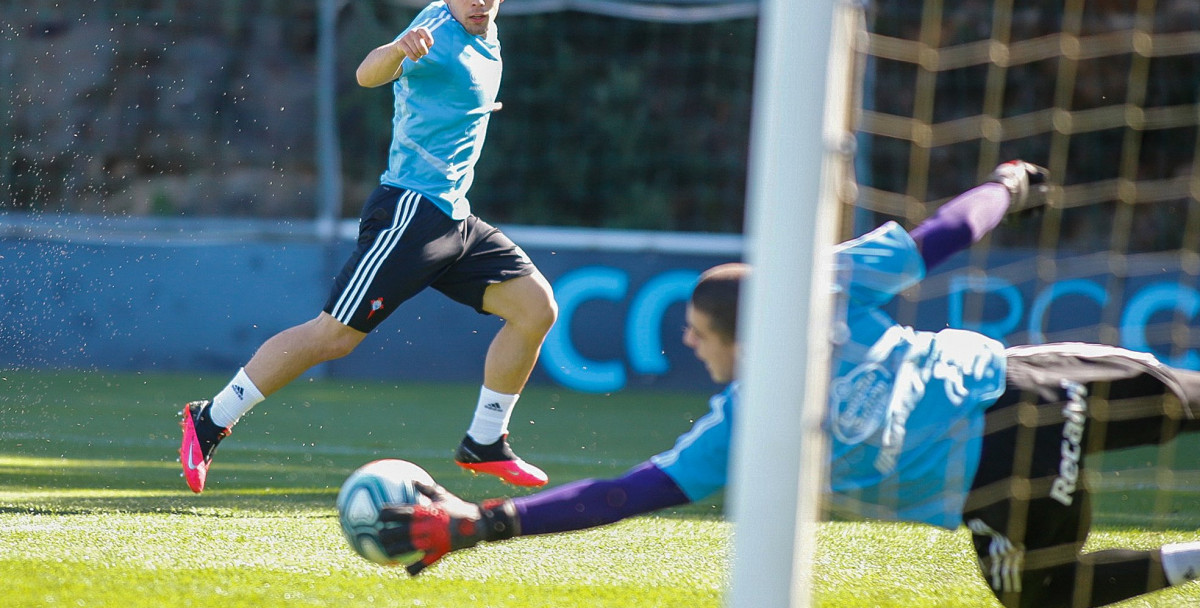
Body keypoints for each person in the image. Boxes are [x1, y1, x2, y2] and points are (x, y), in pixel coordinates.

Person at [374, 161, 1200, 608]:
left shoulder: (755, 402)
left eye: (699, 337)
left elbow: (621, 497)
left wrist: (485, 529)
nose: (693, 349)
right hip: (1024, 423)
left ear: (734, 336)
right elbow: (938, 237)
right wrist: (1008, 186)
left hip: (1009, 444)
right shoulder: (813, 298)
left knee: (1046, 593)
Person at [180, 0, 558, 494]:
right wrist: (401, 50)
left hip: (455, 217)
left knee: (535, 308)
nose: (476, 0)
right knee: (333, 337)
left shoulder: (484, 32)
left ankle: (484, 441)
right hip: (409, 210)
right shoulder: (434, 36)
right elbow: (367, 72)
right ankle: (210, 418)